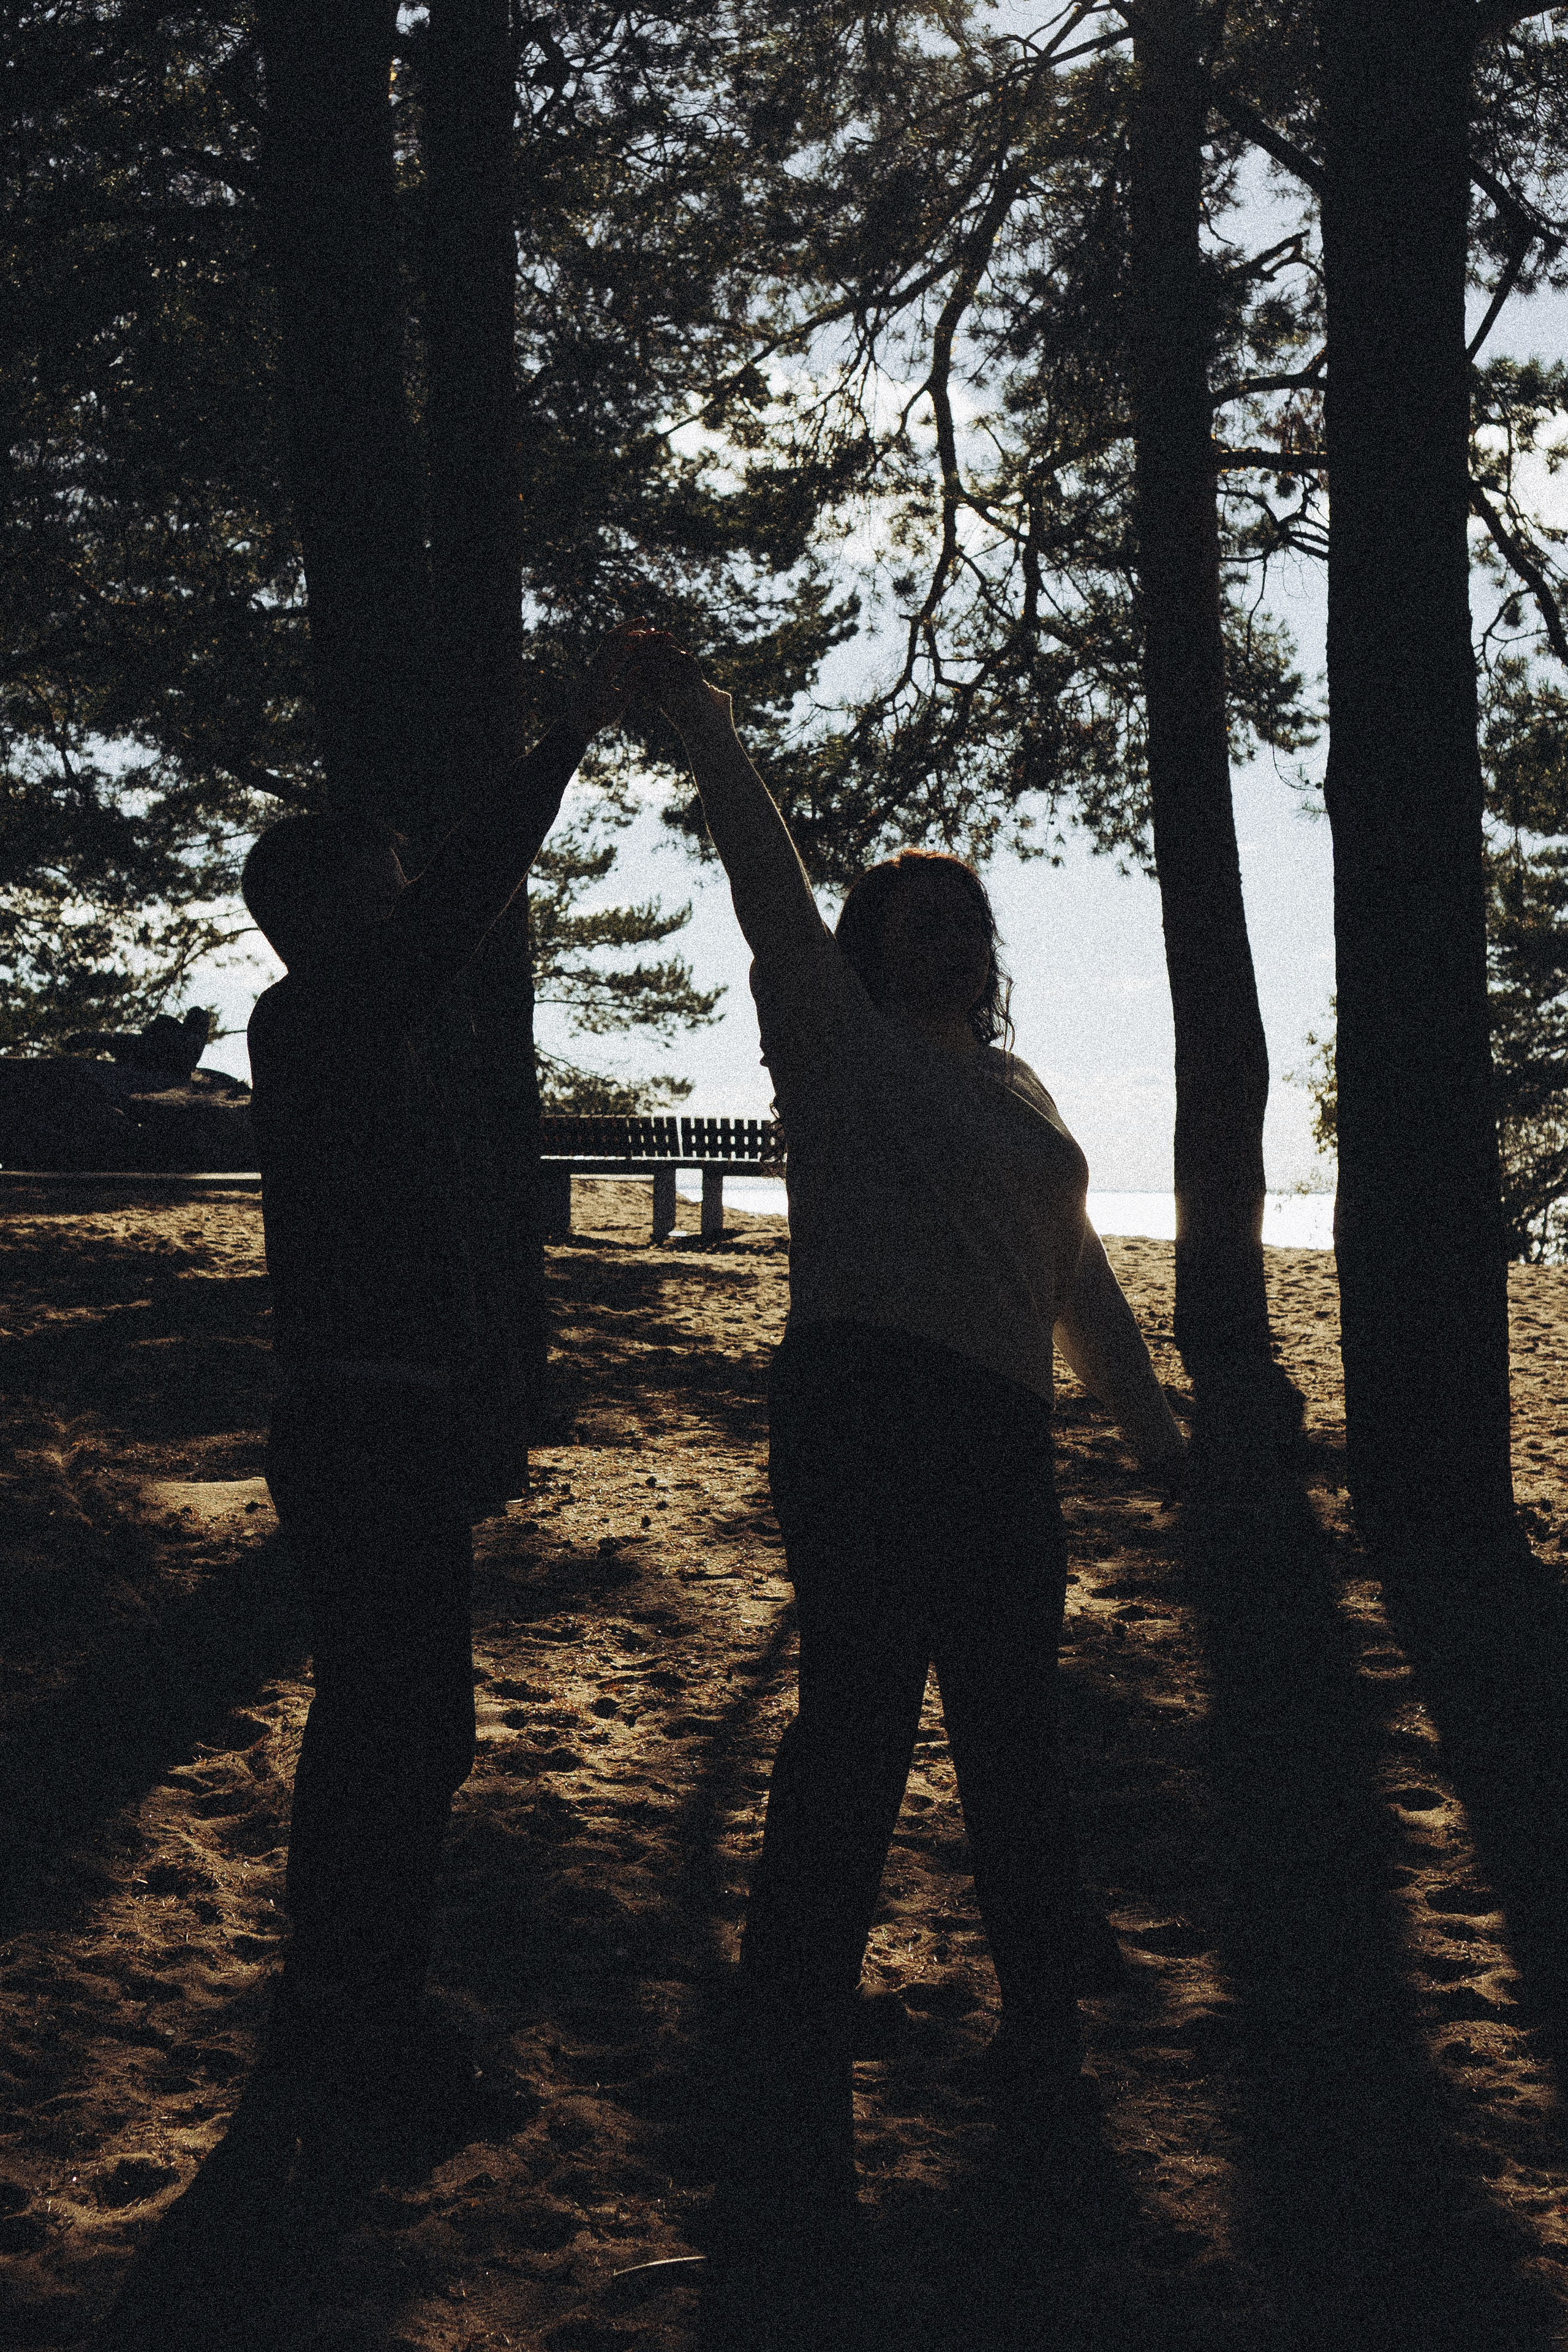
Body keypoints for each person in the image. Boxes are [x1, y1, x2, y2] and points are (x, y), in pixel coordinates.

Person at [635, 636, 1186, 2225]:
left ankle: (1043, 2027)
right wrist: (701, 721)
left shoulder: (1023, 1095)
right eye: (915, 921)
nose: (945, 941)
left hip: (1005, 1432)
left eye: (966, 924)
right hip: (864, 1406)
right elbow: (761, 876)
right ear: (872, 947)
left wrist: (1155, 1440)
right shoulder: (835, 1042)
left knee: (1016, 1729)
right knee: (859, 1729)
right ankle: (789, 2046)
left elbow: (1079, 1287)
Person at [242, 625, 646, 2124]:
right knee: (397, 1728)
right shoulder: (319, 1019)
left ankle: (344, 1999)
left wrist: (482, 1403)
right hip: (358, 1427)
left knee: (401, 1723)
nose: (412, 896)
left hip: (389, 1418)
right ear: (329, 910)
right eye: (386, 880)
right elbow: (468, 896)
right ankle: (356, 2016)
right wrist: (572, 734)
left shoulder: (342, 1037)